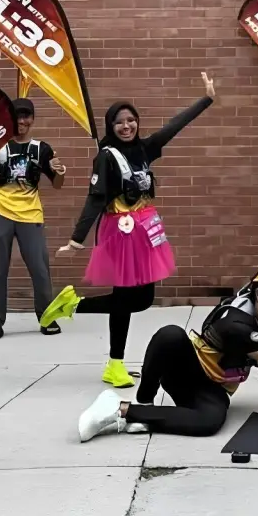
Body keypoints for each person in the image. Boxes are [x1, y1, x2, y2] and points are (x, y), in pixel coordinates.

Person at [40, 73, 218, 388]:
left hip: (146, 228)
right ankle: (115, 364)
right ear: (111, 126)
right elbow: (95, 198)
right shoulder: (106, 158)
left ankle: (73, 304)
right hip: (120, 232)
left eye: (131, 120)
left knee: (143, 299)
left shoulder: (145, 148)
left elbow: (173, 127)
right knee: (124, 299)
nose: (127, 126)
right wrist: (75, 240)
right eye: (120, 122)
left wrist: (206, 99)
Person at [75, 281, 258, 442]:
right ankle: (130, 407)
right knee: (170, 335)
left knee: (210, 422)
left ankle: (139, 415)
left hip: (213, 387)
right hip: (186, 369)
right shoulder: (237, 324)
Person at [0, 97, 67, 341]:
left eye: (26, 116)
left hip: (30, 213)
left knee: (40, 268)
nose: (21, 121)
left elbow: (57, 185)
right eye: (16, 117)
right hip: (0, 210)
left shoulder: (41, 148)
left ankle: (47, 317)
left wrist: (59, 171)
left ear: (32, 119)